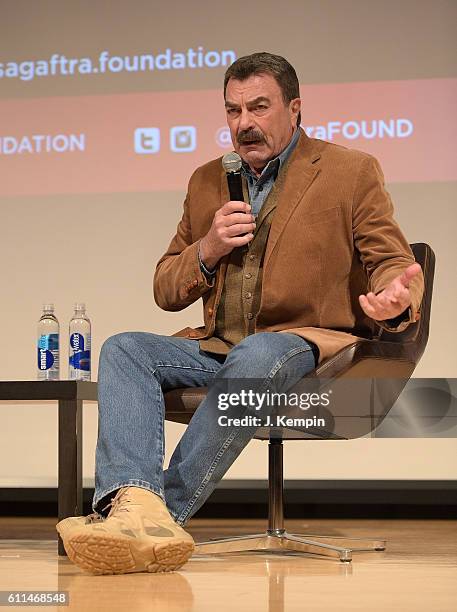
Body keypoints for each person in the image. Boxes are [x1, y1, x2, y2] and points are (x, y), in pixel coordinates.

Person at [56, 52, 424, 575]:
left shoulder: (348, 170)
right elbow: (165, 287)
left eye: (258, 107)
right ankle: (133, 505)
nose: (244, 123)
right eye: (232, 111)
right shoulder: (208, 179)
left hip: (306, 345)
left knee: (260, 349)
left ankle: (162, 519)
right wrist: (207, 247)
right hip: (220, 346)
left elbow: (392, 261)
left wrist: (393, 298)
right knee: (124, 348)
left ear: (294, 109)